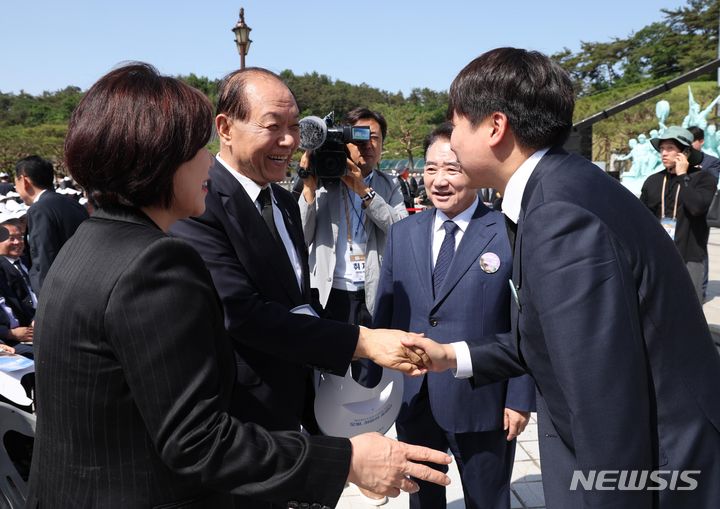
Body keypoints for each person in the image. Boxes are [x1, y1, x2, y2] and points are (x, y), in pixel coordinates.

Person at [27, 62, 451, 509]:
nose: (206, 160)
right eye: (195, 149)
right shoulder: (153, 261)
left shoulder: (90, 243)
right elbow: (196, 438)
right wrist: (346, 460)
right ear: (155, 158)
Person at [402, 47, 720, 508]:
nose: (451, 140)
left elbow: (602, 402)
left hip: (659, 471)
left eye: (456, 124)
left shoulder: (558, 215)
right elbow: (555, 336)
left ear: (495, 127)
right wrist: (452, 355)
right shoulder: (564, 185)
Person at [374, 122, 535, 509]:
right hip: (415, 398)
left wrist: (519, 397)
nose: (439, 181)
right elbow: (386, 312)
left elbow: (525, 322)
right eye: (431, 169)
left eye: (452, 169)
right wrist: (371, 385)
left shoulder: (508, 232)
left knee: (487, 498)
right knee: (422, 499)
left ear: (475, 171)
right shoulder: (403, 233)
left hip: (483, 399)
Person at [299, 108, 407, 326]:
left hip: (373, 292)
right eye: (358, 138)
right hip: (329, 293)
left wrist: (364, 191)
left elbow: (403, 232)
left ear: (383, 144)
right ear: (344, 142)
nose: (367, 145)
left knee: (372, 360)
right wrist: (308, 189)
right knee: (330, 359)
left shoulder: (390, 185)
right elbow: (301, 238)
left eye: (374, 137)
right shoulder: (323, 181)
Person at [640, 126, 717, 303]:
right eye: (662, 149)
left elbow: (697, 207)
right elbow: (641, 219)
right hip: (658, 256)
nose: (664, 153)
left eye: (670, 148)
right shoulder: (653, 181)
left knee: (689, 310)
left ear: (685, 153)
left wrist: (683, 176)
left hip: (690, 257)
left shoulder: (703, 179)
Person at [14, 155, 89, 291]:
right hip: (85, 281)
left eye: (16, 183)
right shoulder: (73, 204)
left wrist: (45, 298)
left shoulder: (39, 209)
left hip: (59, 291)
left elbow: (44, 258)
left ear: (24, 180)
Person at [0, 217, 36, 323]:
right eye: (11, 238)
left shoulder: (28, 260)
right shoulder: (2, 269)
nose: (17, 242)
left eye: (20, 237)